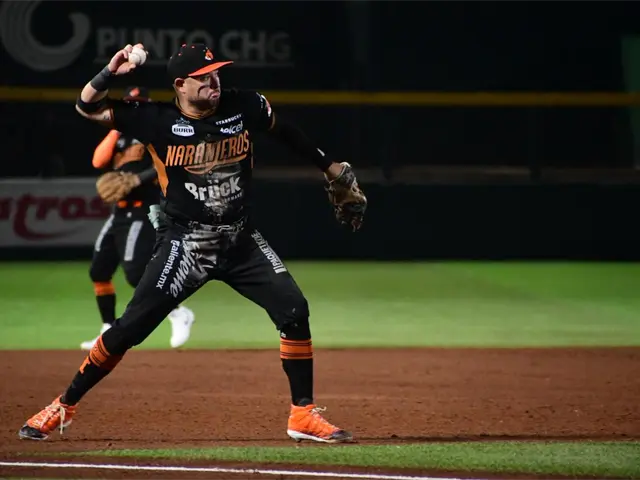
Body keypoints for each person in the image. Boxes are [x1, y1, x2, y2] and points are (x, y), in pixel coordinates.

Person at [18, 43, 367, 444]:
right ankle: (64, 405)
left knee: (294, 310)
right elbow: (87, 107)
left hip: (240, 239)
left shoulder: (244, 105)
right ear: (181, 85)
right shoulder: (154, 119)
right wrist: (110, 73)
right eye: (203, 78)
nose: (214, 82)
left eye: (216, 73)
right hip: (186, 244)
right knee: (128, 330)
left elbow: (286, 132)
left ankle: (302, 414)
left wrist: (331, 168)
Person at [83, 86, 195, 351]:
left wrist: (138, 179)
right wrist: (115, 128)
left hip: (143, 208)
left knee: (136, 274)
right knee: (99, 271)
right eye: (129, 103)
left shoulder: (155, 132)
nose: (132, 107)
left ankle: (178, 312)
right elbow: (98, 161)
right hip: (120, 211)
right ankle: (107, 328)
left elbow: (170, 162)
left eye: (138, 103)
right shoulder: (120, 135)